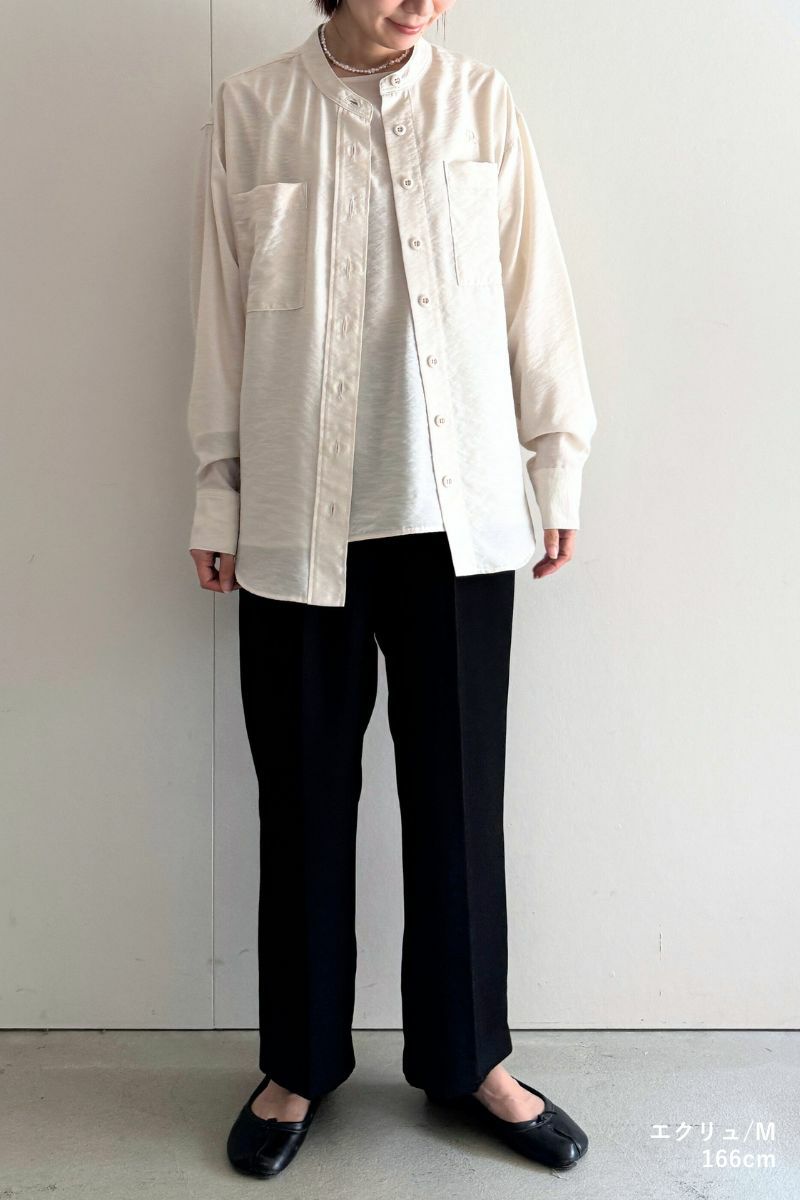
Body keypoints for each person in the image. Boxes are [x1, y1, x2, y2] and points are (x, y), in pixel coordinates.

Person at [186, 0, 598, 1180]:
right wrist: (215, 492)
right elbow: (219, 315)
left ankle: (471, 1060)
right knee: (302, 802)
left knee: (459, 801)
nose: (421, 6)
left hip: (457, 521)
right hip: (294, 522)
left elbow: (532, 289)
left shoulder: (479, 105)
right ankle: (297, 1064)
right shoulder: (252, 111)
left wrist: (555, 461)